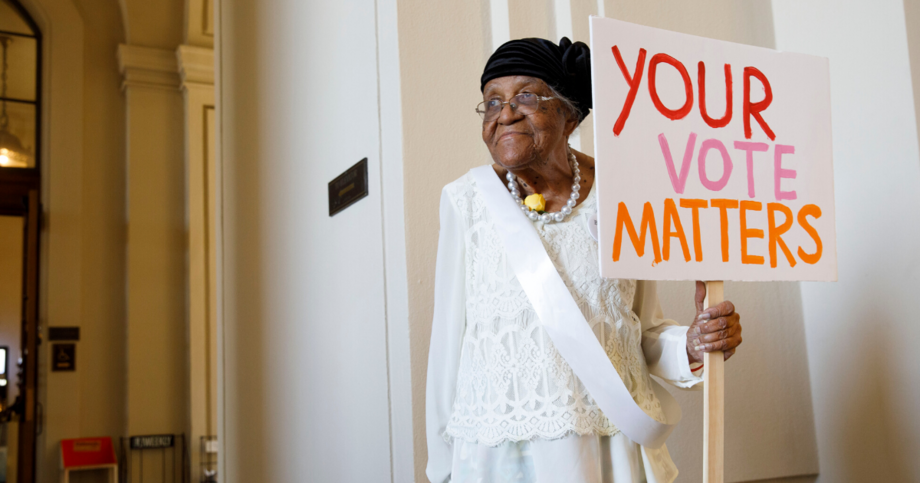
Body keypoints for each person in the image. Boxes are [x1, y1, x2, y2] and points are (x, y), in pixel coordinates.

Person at [425, 37, 743, 483]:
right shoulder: (466, 201)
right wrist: (441, 468)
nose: (505, 114)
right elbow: (446, 348)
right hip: (499, 451)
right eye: (491, 102)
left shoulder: (625, 195)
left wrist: (692, 345)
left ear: (569, 113)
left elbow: (640, 330)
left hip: (610, 449)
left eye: (527, 96)